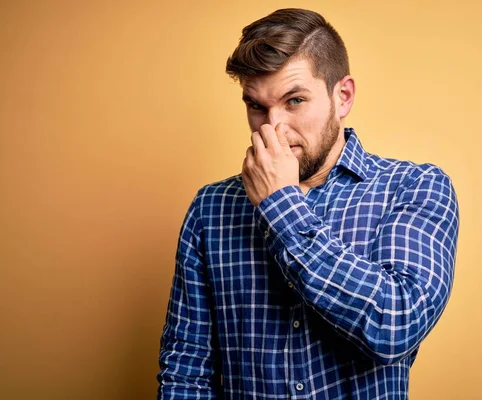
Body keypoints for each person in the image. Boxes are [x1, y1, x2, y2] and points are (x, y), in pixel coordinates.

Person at [157, 8, 459, 400]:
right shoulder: (210, 208)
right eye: (256, 106)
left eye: (295, 100)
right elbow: (187, 370)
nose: (274, 128)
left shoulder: (414, 188)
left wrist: (280, 207)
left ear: (342, 96)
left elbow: (395, 325)